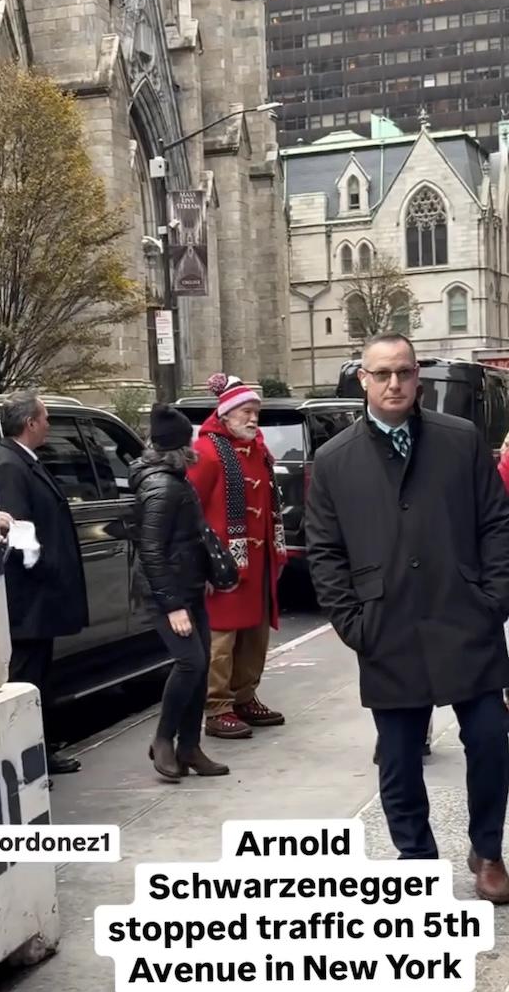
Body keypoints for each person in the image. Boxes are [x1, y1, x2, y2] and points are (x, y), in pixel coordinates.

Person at [306, 332, 509, 902]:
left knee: (492, 740)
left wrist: (494, 597)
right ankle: (414, 858)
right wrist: (354, 623)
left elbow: (496, 522)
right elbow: (324, 550)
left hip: (465, 616)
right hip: (386, 626)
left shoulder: (461, 439)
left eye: (404, 372)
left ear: (417, 376)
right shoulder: (334, 459)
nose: (394, 383)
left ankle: (488, 851)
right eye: (382, 374)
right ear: (363, 381)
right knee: (398, 756)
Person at [129, 404, 229, 782]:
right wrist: (172, 605)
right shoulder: (162, 487)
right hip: (167, 594)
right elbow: (151, 549)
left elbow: (188, 537)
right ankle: (163, 740)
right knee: (190, 663)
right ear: (181, 446)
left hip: (186, 586)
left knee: (200, 667)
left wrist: (200, 573)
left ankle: (190, 746)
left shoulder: (174, 479)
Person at [0, 391, 88, 775]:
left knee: (40, 681)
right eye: (46, 418)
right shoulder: (10, 465)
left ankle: (42, 753)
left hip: (40, 600)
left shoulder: (26, 460)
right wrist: (46, 565)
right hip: (28, 602)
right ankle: (25, 762)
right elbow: (17, 530)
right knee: (25, 681)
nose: (49, 424)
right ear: (30, 423)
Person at [189, 375, 287, 739]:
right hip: (225, 564)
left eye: (255, 412)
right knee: (222, 637)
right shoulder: (208, 453)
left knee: (254, 633)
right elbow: (191, 509)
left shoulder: (259, 450)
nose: (253, 419)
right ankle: (217, 706)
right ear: (227, 414)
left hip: (258, 562)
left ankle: (245, 695)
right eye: (247, 411)